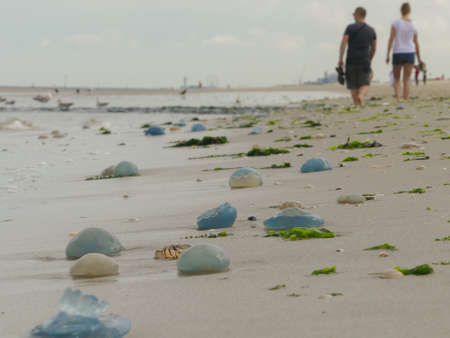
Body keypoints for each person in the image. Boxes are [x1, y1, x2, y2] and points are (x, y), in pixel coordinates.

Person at [338, 7, 377, 106]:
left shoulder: (350, 28)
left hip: (351, 59)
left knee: (352, 84)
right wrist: (370, 59)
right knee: (365, 82)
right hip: (364, 59)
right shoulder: (371, 30)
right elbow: (374, 48)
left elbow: (343, 43)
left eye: (354, 14)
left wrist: (340, 59)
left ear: (358, 14)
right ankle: (361, 96)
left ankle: (357, 103)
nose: (353, 15)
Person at [386, 2, 422, 101]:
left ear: (401, 10)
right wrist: (419, 58)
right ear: (409, 11)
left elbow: (391, 39)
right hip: (410, 52)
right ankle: (406, 99)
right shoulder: (414, 25)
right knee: (406, 79)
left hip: (398, 52)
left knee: (397, 78)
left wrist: (387, 54)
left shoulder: (395, 23)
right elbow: (416, 42)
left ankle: (398, 98)